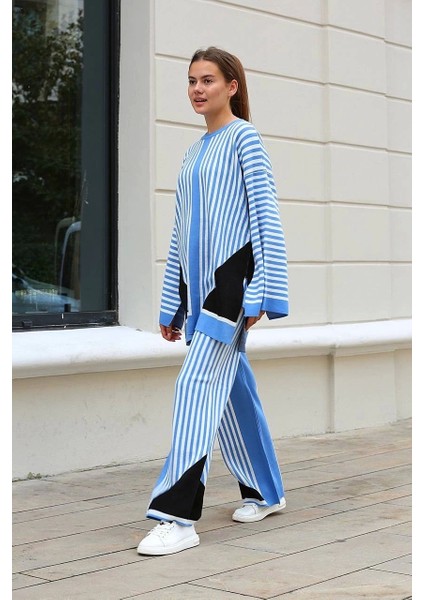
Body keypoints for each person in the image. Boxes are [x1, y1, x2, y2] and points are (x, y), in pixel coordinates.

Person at [137, 46, 289, 556]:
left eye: (208, 80)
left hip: (231, 289)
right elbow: (180, 232)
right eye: (191, 81)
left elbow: (265, 216)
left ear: (232, 86)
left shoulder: (246, 139)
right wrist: (173, 303)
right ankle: (266, 491)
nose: (197, 89)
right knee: (232, 391)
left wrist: (264, 290)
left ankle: (177, 517)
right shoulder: (193, 152)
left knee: (195, 385)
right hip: (199, 294)